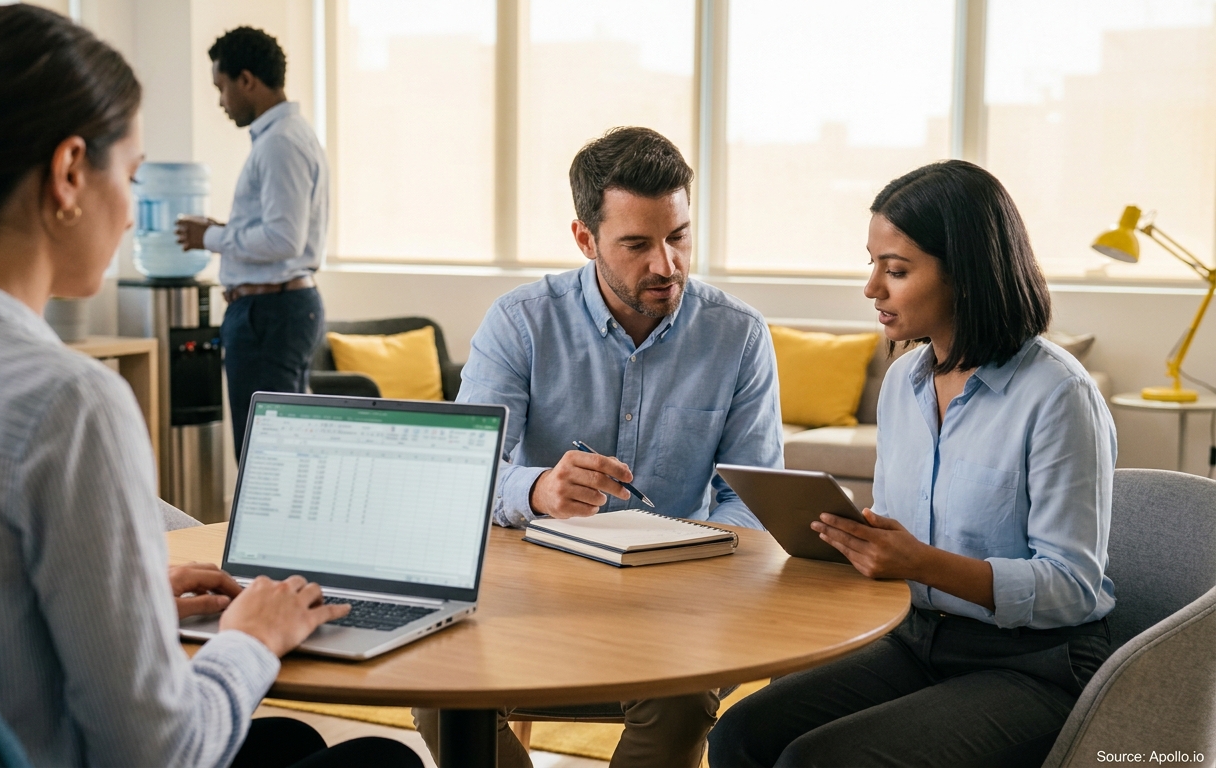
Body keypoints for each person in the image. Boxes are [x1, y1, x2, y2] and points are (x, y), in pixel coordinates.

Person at [0, 7, 417, 767]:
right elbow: (161, 753)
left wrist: (132, 585)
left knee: (289, 741)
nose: (129, 216)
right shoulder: (64, 403)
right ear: (71, 171)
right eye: (134, 176)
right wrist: (252, 637)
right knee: (380, 760)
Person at [708, 160, 1116, 767]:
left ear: (968, 275)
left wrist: (922, 562)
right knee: (740, 733)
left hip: (1033, 664)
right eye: (872, 264)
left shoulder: (1059, 396)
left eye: (896, 270)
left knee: (819, 761)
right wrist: (856, 539)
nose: (872, 287)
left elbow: (1073, 588)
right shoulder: (905, 382)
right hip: (912, 636)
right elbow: (899, 531)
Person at [413, 127, 784, 768]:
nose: (665, 264)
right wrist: (536, 489)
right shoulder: (520, 323)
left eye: (678, 237)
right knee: (435, 691)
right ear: (586, 239)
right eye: (637, 244)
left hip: (679, 599)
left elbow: (750, 495)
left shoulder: (739, 336)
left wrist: (698, 554)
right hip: (536, 594)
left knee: (683, 698)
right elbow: (463, 473)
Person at [176, 26, 328, 458]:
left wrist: (211, 237)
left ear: (247, 80)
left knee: (267, 456)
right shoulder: (286, 136)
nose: (221, 102)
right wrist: (225, 229)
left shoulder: (280, 143)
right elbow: (279, 227)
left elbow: (283, 238)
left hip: (270, 314)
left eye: (221, 88)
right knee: (278, 452)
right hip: (274, 310)